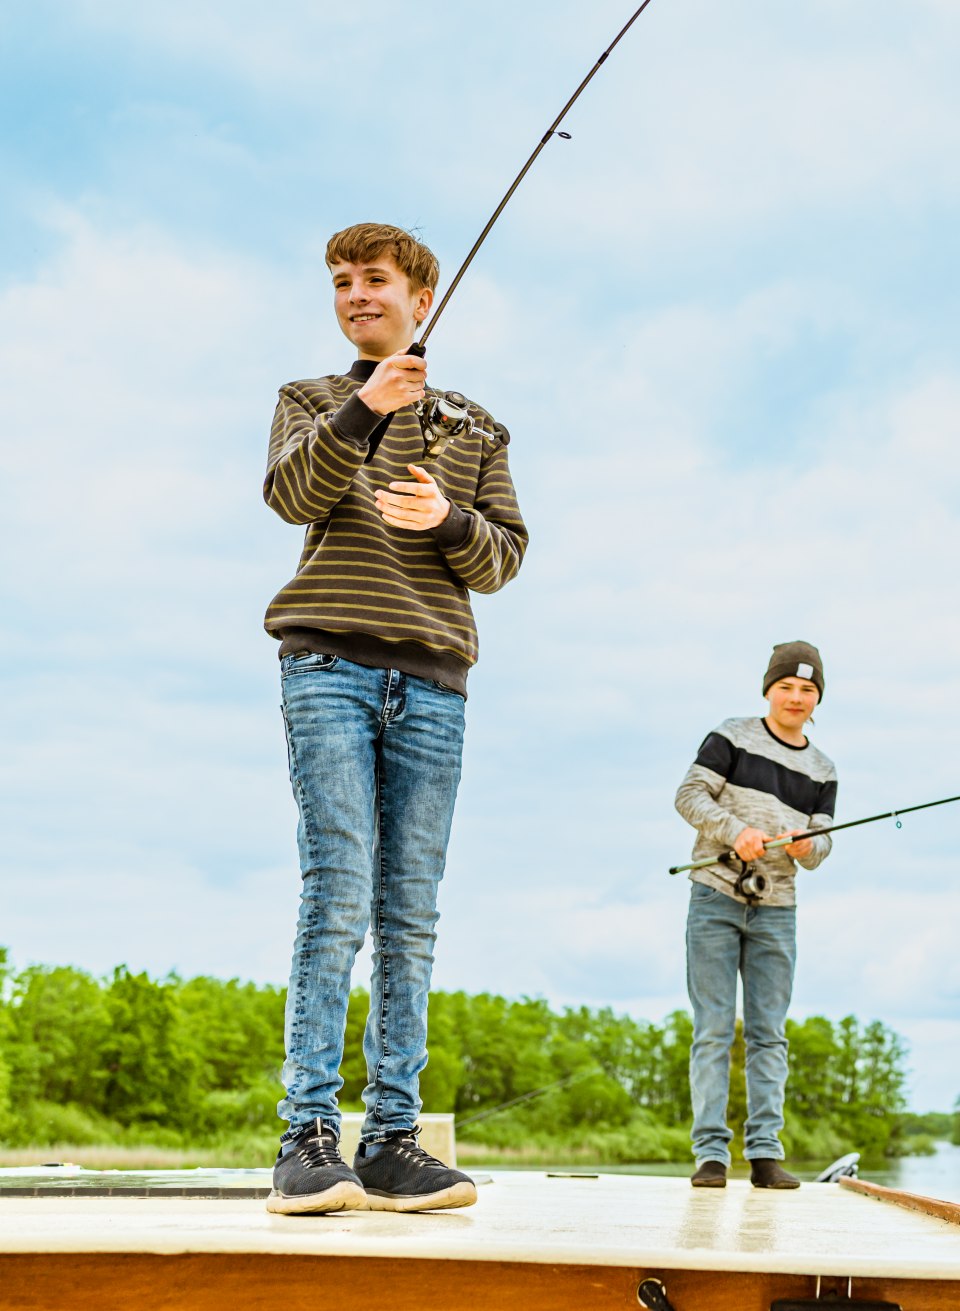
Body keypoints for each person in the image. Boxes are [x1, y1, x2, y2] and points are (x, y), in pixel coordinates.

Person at [262, 223, 528, 1214]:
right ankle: (308, 1135)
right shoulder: (313, 400)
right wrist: (364, 413)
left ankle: (393, 1142)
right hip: (327, 665)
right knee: (338, 895)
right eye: (340, 281)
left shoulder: (477, 430)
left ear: (421, 294)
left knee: (409, 913)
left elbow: (502, 558)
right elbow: (291, 495)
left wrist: (449, 524)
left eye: (373, 279)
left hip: (436, 685)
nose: (354, 294)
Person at [674, 641, 837, 1189]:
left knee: (770, 1034)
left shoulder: (823, 768)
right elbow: (689, 795)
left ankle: (765, 1155)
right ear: (768, 688)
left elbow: (824, 845)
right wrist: (734, 831)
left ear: (819, 700)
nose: (796, 697)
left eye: (808, 690)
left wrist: (805, 847)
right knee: (714, 1029)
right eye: (787, 686)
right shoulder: (732, 735)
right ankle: (711, 1157)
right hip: (714, 897)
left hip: (778, 910)